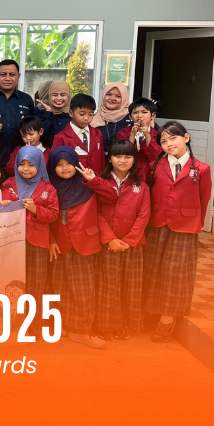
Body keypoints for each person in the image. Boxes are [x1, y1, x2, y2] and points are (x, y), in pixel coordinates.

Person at [143, 121, 212, 343]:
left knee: (176, 274)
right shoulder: (154, 166)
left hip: (184, 227)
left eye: (173, 138)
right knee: (154, 269)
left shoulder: (201, 169)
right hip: (157, 224)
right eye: (163, 141)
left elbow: (203, 199)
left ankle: (167, 318)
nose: (168, 144)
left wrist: (195, 225)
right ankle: (152, 312)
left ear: (186, 138)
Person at [78, 140, 149, 339]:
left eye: (127, 156)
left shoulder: (141, 186)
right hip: (108, 245)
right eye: (118, 156)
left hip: (133, 246)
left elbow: (144, 215)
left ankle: (126, 325)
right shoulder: (101, 183)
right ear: (110, 159)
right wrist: (110, 239)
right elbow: (97, 212)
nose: (122, 160)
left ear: (134, 160)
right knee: (108, 287)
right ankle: (107, 326)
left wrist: (129, 240)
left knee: (130, 287)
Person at [47, 146, 104, 349]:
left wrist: (93, 180)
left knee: (83, 290)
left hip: (83, 244)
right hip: (59, 245)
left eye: (69, 163)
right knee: (59, 288)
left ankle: (83, 330)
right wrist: (51, 239)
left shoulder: (87, 184)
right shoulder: (49, 188)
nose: (64, 168)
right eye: (59, 164)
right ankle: (65, 326)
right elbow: (44, 218)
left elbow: (111, 196)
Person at [1, 147, 59, 333]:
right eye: (22, 164)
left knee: (36, 284)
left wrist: (36, 210)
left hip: (38, 243)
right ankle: (13, 325)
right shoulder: (8, 184)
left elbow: (54, 215)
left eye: (31, 165)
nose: (25, 169)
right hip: (12, 242)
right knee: (14, 285)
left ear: (40, 165)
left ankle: (33, 327)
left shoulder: (48, 188)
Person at [52, 93, 104, 174]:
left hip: (95, 178)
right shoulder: (61, 137)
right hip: (72, 179)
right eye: (82, 114)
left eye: (91, 114)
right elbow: (54, 163)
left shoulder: (97, 134)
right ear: (71, 113)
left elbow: (101, 160)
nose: (86, 118)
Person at [116, 98, 161, 181]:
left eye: (144, 112)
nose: (139, 115)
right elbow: (123, 154)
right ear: (130, 116)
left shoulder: (158, 134)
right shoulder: (123, 133)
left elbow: (156, 157)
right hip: (127, 174)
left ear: (153, 115)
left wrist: (147, 135)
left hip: (150, 175)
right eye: (135, 112)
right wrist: (132, 135)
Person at [92, 84, 132, 152]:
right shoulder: (93, 118)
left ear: (124, 99)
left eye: (118, 96)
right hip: (98, 157)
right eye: (109, 94)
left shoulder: (131, 119)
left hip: (122, 157)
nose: (112, 98)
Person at [36, 80, 72, 146]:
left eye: (63, 95)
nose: (59, 98)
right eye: (55, 95)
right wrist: (48, 113)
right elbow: (39, 137)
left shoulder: (73, 116)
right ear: (49, 96)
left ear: (68, 96)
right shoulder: (41, 115)